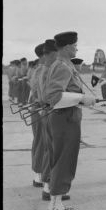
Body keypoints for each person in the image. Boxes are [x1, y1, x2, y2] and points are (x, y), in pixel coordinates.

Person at [44, 31, 96, 210]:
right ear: (66, 47)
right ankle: (56, 207)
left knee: (58, 158)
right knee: (64, 160)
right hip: (65, 118)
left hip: (63, 117)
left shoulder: (60, 64)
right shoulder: (63, 67)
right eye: (75, 45)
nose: (76, 48)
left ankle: (55, 202)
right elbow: (54, 97)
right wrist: (82, 98)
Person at [38, 39, 58, 200]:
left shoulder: (43, 69)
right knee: (51, 151)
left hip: (45, 111)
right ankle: (47, 187)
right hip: (51, 112)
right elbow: (50, 96)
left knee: (49, 150)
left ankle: (47, 186)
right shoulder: (48, 70)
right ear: (53, 53)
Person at [29, 43, 46, 188]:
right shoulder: (42, 70)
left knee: (39, 141)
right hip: (40, 110)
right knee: (42, 142)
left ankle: (38, 174)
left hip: (35, 109)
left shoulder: (37, 69)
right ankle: (39, 175)